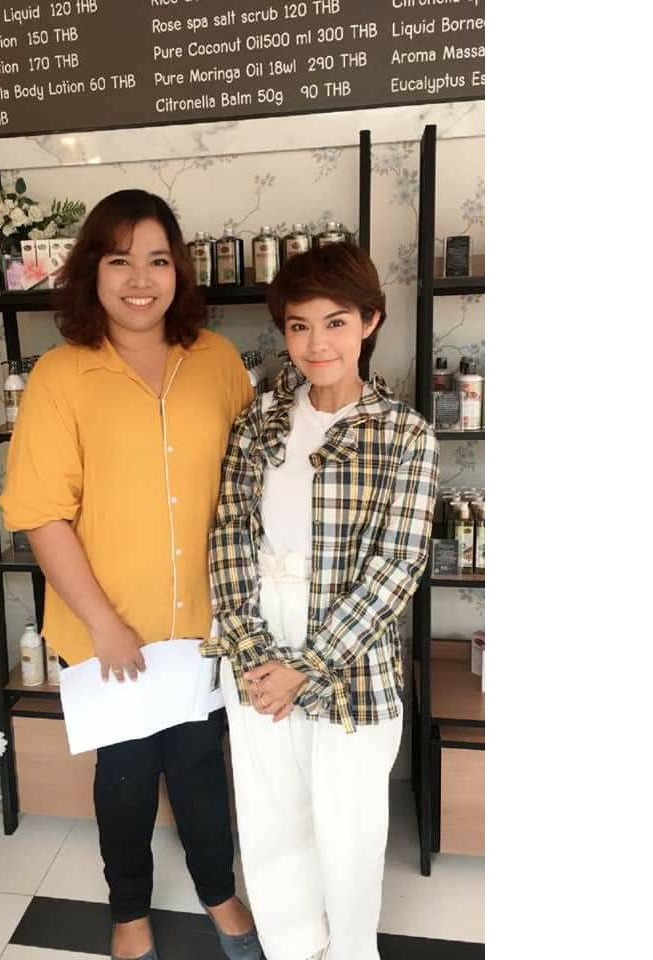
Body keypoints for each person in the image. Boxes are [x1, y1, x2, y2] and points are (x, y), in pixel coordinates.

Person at [0, 189, 263, 960]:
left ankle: (220, 893)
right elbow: (42, 513)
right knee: (126, 777)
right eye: (120, 260)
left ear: (179, 270)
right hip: (108, 629)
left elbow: (249, 480)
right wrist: (104, 622)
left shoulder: (216, 361)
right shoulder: (60, 375)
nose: (141, 279)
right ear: (93, 271)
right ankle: (129, 913)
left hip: (205, 624)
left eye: (157, 260)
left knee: (201, 770)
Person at [202, 243, 439, 960]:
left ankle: (351, 950)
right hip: (257, 638)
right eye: (299, 326)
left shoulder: (404, 434)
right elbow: (229, 534)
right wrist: (252, 654)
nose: (317, 344)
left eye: (335, 322)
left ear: (370, 321)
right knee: (272, 818)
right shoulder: (260, 423)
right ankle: (292, 948)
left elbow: (397, 567)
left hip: (350, 653)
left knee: (349, 826)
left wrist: (305, 666)